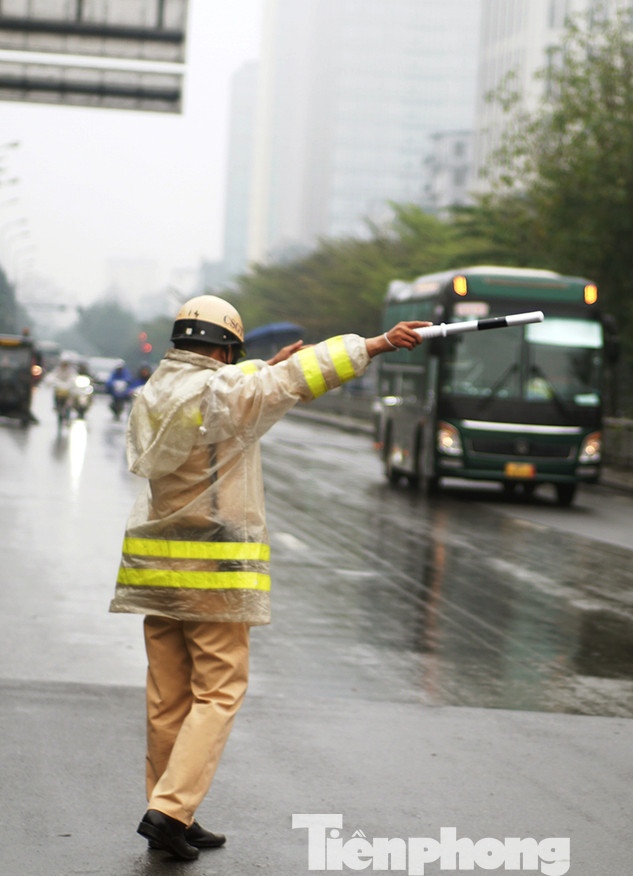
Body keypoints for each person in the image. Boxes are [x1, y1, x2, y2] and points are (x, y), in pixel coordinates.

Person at [109, 295, 428, 860]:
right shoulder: (227, 394)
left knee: (167, 697)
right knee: (218, 691)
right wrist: (376, 344)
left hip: (158, 572)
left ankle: (173, 809)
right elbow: (299, 378)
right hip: (213, 572)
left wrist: (264, 366)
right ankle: (170, 811)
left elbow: (234, 386)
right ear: (223, 351)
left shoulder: (156, 390)